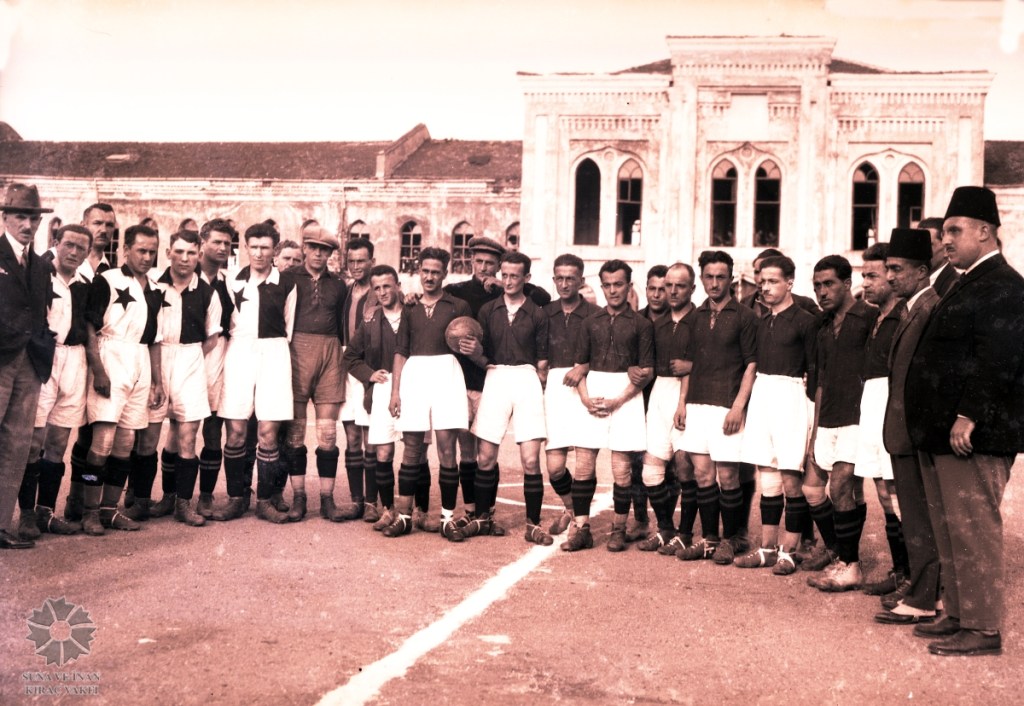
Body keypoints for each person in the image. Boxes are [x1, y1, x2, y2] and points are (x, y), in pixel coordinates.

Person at [905, 187, 1024, 656]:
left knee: (973, 529)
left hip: (973, 435)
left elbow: (999, 359)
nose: (946, 240)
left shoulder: (1004, 285)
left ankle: (982, 626)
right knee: (951, 529)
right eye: (946, 231)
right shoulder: (966, 282)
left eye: (955, 230)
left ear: (985, 232)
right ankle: (957, 614)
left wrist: (968, 415)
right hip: (945, 434)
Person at [444, 235, 551, 533]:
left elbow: (543, 361)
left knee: (530, 459)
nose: (509, 281)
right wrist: (477, 355)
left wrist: (540, 381)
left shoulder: (537, 312)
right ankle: (482, 517)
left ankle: (533, 524)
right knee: (486, 456)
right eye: (505, 275)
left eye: (515, 276)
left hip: (526, 377)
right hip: (495, 376)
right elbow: (484, 356)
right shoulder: (488, 310)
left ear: (526, 278)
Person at [129, 230, 221, 527]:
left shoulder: (207, 292)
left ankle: (182, 503)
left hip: (191, 359)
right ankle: (142, 500)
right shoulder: (153, 286)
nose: (185, 258)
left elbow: (212, 337)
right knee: (148, 437)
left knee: (188, 436)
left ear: (199, 255)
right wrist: (156, 373)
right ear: (168, 253)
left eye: (191, 253)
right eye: (179, 252)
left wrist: (190, 358)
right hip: (156, 358)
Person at [874, 227, 943, 626]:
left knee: (919, 518)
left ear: (921, 271)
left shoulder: (928, 308)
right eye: (888, 269)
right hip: (903, 432)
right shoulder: (913, 307)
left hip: (914, 434)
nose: (890, 276)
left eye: (897, 269)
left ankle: (922, 598)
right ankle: (928, 594)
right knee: (916, 517)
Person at [561, 260, 654, 552]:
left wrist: (618, 400)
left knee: (622, 470)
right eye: (608, 285)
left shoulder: (642, 324)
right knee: (583, 466)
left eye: (619, 284)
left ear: (629, 286)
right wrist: (585, 398)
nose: (613, 290)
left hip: (625, 396)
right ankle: (582, 529)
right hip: (593, 393)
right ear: (601, 287)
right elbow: (579, 366)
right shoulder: (590, 322)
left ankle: (618, 529)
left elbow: (647, 372)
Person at [734, 255, 817, 574]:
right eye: (762, 281)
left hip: (791, 396)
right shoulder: (762, 321)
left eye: (773, 281)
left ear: (789, 283)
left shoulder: (805, 321)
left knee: (791, 478)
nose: (765, 287)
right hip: (763, 394)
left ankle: (790, 551)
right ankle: (767, 549)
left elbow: (815, 370)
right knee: (767, 477)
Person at [80, 224, 164, 535]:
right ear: (125, 249)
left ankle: (109, 510)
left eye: (152, 252)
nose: (147, 257)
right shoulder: (108, 279)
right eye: (141, 250)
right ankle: (89, 510)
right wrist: (98, 368)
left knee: (126, 442)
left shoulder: (155, 289)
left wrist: (157, 381)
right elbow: (90, 326)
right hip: (111, 356)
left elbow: (154, 339)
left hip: (139, 362)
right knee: (102, 441)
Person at [212, 222, 297, 523]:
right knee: (236, 432)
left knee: (268, 433)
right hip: (239, 352)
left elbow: (288, 327)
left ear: (275, 250)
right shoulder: (230, 280)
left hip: (274, 353)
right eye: (254, 247)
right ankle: (236, 498)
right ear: (245, 248)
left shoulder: (287, 283)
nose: (259, 253)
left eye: (265, 247)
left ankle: (264, 501)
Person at [386, 248, 474, 537]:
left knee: (447, 448)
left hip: (447, 372)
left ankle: (447, 519)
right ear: (419, 271)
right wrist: (395, 392)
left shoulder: (458, 306)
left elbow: (469, 344)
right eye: (425, 271)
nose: (430, 276)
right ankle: (404, 517)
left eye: (436, 272)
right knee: (412, 448)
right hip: (415, 374)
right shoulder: (409, 307)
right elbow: (401, 351)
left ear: (445, 274)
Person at [677, 251, 757, 564]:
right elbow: (688, 365)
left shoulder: (745, 316)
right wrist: (682, 403)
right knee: (702, 475)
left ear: (730, 278)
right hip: (697, 404)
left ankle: (731, 539)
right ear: (701, 279)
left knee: (728, 476)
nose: (714, 283)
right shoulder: (694, 317)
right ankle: (710, 539)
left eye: (720, 277)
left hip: (726, 405)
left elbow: (751, 365)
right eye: (709, 277)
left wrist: (738, 407)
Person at [804, 255, 879, 591]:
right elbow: (819, 381)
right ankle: (840, 552)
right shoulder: (822, 326)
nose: (822, 292)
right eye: (817, 286)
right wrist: (814, 432)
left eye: (829, 284)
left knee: (840, 488)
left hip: (857, 418)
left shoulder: (868, 317)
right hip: (828, 419)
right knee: (813, 488)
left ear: (847, 283)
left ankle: (850, 565)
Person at [16, 225, 91, 539]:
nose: (74, 252)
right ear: (56, 243)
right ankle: (26, 514)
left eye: (81, 248)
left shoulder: (85, 284)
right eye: (69, 244)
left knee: (59, 442)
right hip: (45, 358)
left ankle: (46, 512)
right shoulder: (39, 275)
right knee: (34, 441)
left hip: (76, 360)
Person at [283, 226, 353, 522]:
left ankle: (327, 499)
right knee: (296, 432)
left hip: (329, 352)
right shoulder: (288, 277)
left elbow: (343, 323)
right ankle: (299, 497)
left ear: (330, 254)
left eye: (324, 250)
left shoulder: (338, 284)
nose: (318, 254)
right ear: (305, 248)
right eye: (313, 247)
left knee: (327, 433)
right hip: (296, 350)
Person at [0, 184, 56, 549]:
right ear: (5, 218)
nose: (27, 225)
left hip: (29, 362)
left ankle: (1, 525)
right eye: (20, 216)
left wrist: (41, 345)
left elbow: (40, 311)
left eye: (33, 218)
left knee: (17, 444)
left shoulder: (41, 266)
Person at [854, 243, 910, 595]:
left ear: (891, 276)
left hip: (892, 405)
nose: (866, 283)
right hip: (871, 404)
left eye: (872, 275)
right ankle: (900, 571)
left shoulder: (904, 315)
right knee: (883, 493)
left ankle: (916, 577)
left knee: (898, 492)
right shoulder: (874, 318)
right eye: (864, 276)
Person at [636, 263, 696, 553]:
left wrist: (692, 367)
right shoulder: (655, 325)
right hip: (660, 392)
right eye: (668, 285)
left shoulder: (700, 320)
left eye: (679, 286)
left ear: (691, 289)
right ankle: (665, 528)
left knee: (685, 467)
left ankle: (685, 534)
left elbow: (717, 361)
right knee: (651, 469)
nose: (672, 291)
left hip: (689, 394)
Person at [65, 202, 118, 524]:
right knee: (68, 436)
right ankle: (72, 497)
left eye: (109, 225)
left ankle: (84, 499)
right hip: (73, 356)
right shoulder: (71, 263)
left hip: (101, 357)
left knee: (91, 436)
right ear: (84, 223)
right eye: (97, 223)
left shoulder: (112, 271)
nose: (103, 230)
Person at [344, 264, 405, 530]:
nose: (382, 292)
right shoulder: (370, 321)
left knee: (416, 451)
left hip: (412, 387)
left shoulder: (413, 314)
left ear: (398, 286)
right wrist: (370, 374)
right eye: (377, 288)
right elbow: (350, 357)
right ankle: (388, 509)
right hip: (383, 391)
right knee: (383, 450)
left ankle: (418, 510)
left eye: (387, 286)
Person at [542, 254, 597, 535]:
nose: (564, 284)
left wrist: (583, 367)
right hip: (555, 386)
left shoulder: (595, 313)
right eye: (560, 278)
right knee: (554, 467)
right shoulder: (545, 312)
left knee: (585, 462)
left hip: (587, 385)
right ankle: (571, 509)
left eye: (570, 279)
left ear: (581, 281)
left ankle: (580, 524)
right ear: (554, 280)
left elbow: (604, 354)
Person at [195, 219, 237, 517]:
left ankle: (206, 495)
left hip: (218, 356)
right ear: (202, 242)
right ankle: (171, 495)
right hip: (185, 354)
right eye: (217, 242)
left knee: (213, 429)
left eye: (227, 243)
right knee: (178, 430)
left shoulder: (229, 284)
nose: (222, 248)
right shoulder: (183, 275)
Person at [627, 264, 671, 543]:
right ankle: (641, 519)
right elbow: (624, 353)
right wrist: (629, 366)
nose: (656, 294)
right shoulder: (635, 319)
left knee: (669, 464)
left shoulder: (678, 320)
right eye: (652, 288)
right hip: (638, 397)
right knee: (635, 461)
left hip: (666, 397)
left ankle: (667, 526)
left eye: (662, 289)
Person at [338, 237, 379, 522]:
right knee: (351, 436)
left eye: (361, 261)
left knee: (370, 439)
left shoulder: (380, 292)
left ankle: (372, 502)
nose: (355, 266)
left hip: (369, 366)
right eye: (351, 261)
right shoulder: (346, 290)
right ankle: (356, 500)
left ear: (371, 262)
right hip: (345, 366)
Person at [917, 216, 958, 297]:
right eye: (916, 244)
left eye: (926, 244)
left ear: (946, 249)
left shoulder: (954, 285)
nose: (918, 250)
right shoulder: (916, 281)